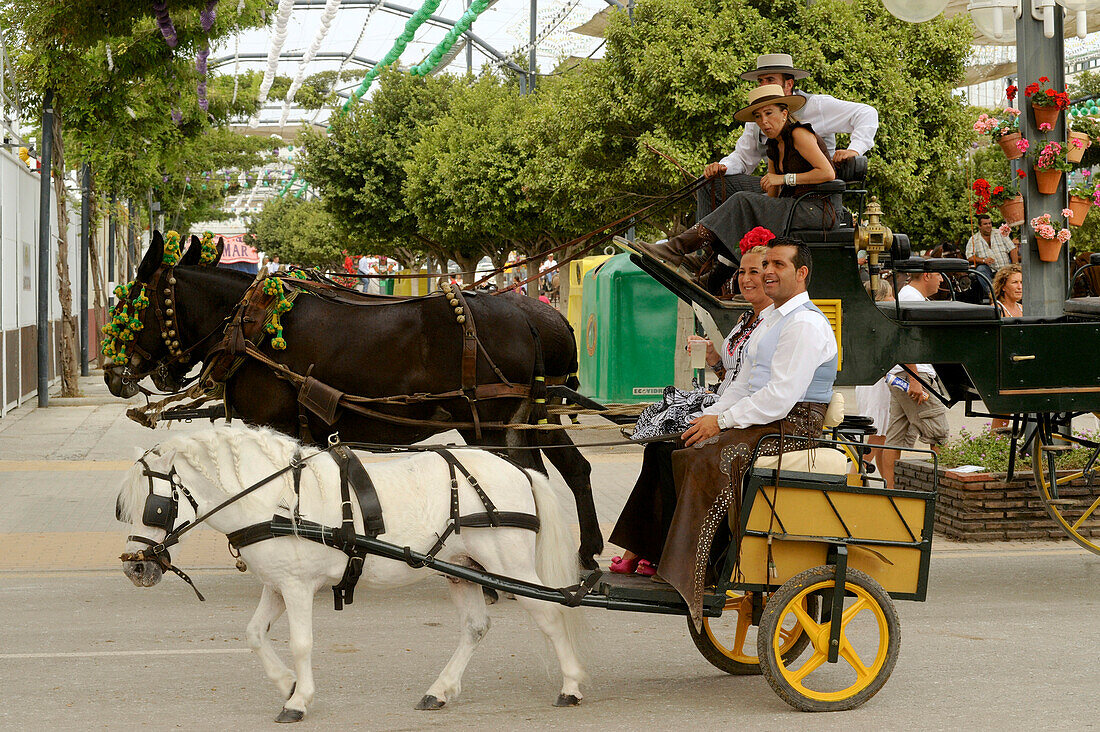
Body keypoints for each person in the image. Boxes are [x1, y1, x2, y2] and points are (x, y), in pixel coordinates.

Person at [609, 238, 838, 626]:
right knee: (670, 445)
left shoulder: (804, 324)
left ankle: (697, 574)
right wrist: (704, 418)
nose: (767, 272)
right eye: (766, 263)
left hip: (793, 425)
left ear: (801, 274)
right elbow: (741, 385)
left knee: (704, 459)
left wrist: (722, 422)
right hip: (766, 418)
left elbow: (780, 398)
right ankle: (655, 550)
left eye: (778, 265)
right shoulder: (772, 321)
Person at [612, 246, 772, 577]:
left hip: (740, 415)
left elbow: (760, 389)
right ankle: (645, 548)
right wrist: (713, 356)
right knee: (657, 447)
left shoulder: (774, 326)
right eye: (742, 272)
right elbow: (733, 376)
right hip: (722, 402)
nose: (745, 279)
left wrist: (720, 417)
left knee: (673, 449)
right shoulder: (746, 319)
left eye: (754, 272)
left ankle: (666, 554)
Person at [636, 85, 839, 280]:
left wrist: (783, 179)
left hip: (817, 210)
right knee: (740, 206)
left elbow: (828, 173)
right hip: (793, 206)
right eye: (758, 117)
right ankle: (712, 275)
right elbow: (773, 196)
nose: (763, 122)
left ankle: (676, 249)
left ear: (784, 113)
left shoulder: (799, 134)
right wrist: (751, 205)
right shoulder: (773, 145)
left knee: (741, 201)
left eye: (769, 114)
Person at [696, 53, 878, 226]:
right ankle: (707, 253)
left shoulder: (817, 106)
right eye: (760, 81)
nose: (763, 85)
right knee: (708, 183)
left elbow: (866, 113)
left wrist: (855, 149)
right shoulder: (759, 118)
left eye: (770, 80)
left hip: (814, 191)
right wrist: (723, 167)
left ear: (788, 84)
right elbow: (744, 158)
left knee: (743, 200)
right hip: (777, 186)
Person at [878, 269, 950, 490]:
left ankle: (890, 491)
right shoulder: (910, 298)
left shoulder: (912, 296)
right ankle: (940, 492)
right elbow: (904, 342)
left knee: (896, 437)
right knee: (939, 434)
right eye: (939, 274)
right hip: (913, 373)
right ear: (926, 275)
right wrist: (915, 379)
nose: (941, 279)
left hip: (903, 374)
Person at [854, 279, 894, 473]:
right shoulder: (879, 322)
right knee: (878, 434)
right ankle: (853, 475)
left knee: (882, 438)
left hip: (868, 382)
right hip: (879, 383)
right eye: (890, 295)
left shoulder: (863, 320)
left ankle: (887, 485)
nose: (894, 299)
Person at [966, 214, 1019, 290]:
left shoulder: (1000, 233)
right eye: (985, 224)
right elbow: (969, 257)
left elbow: (1012, 249)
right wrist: (983, 260)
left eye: (990, 223)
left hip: (1004, 269)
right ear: (979, 226)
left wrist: (1015, 266)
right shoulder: (973, 239)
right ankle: (992, 293)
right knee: (980, 269)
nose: (988, 226)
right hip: (989, 271)